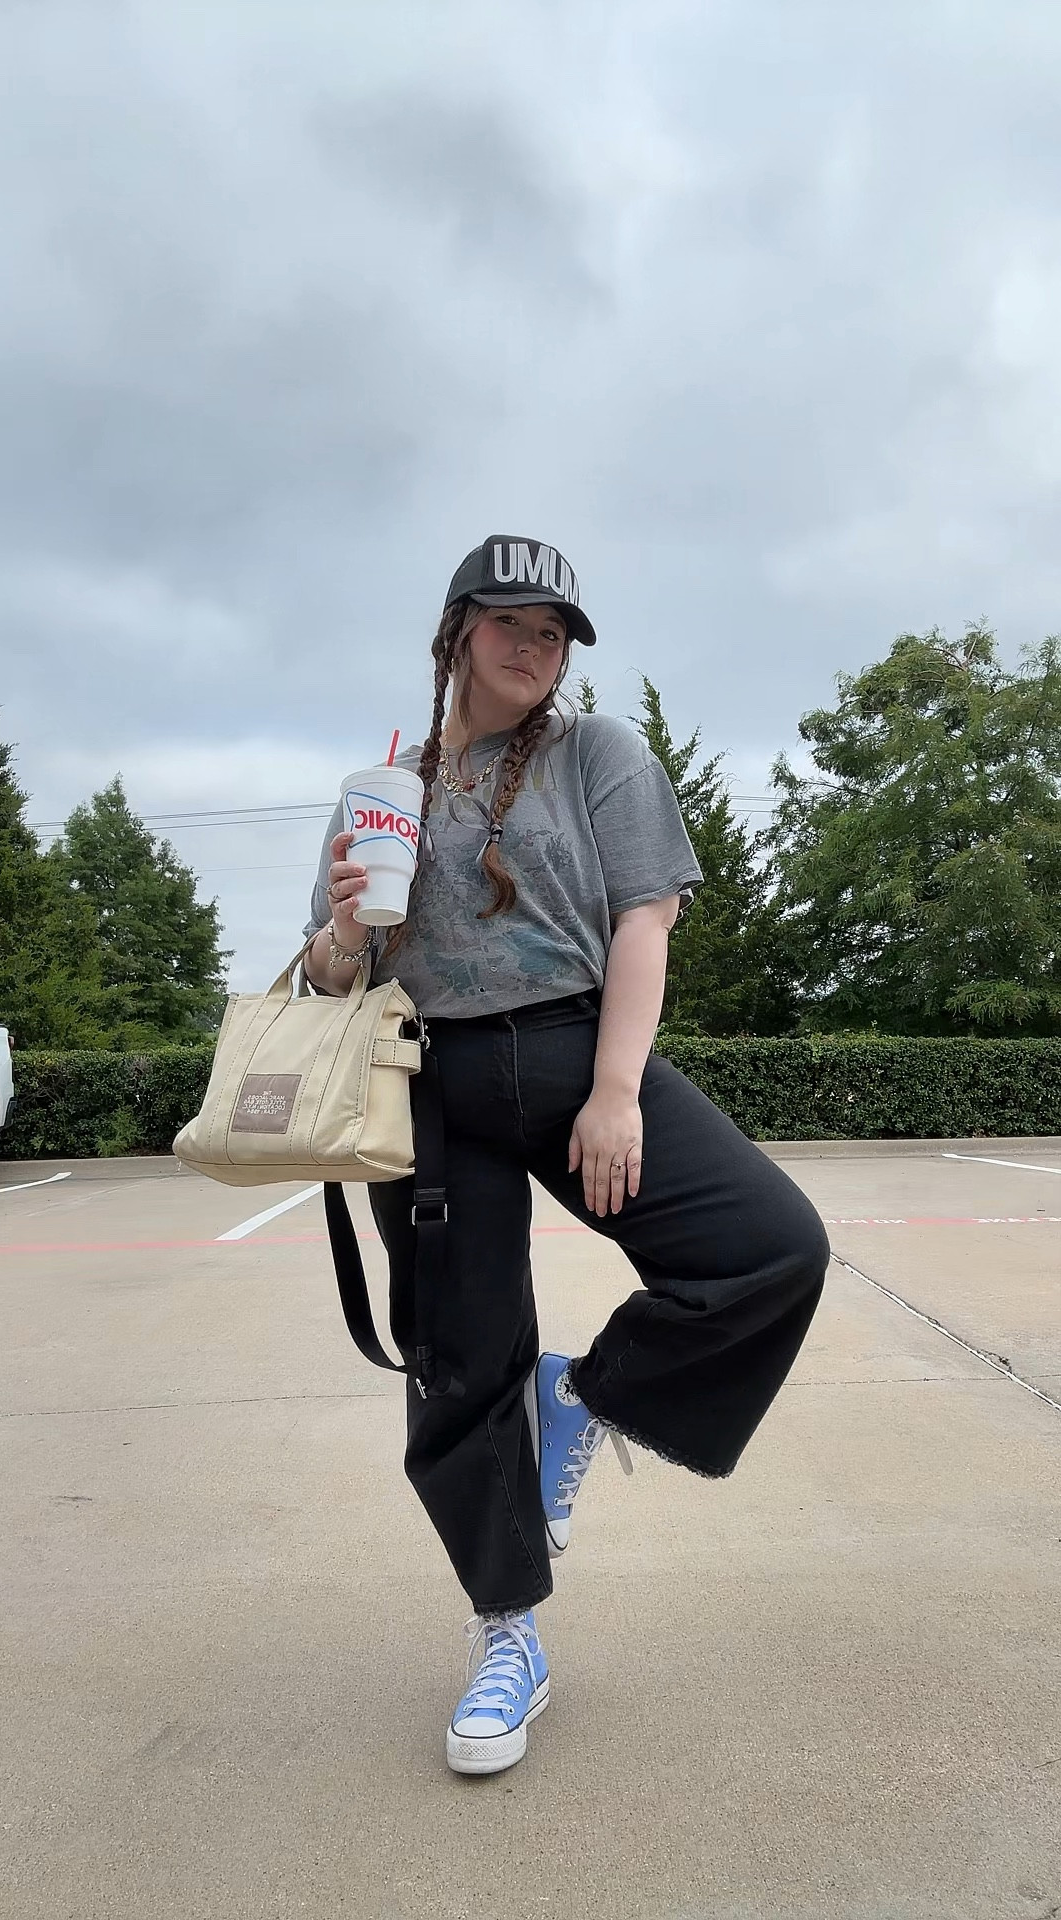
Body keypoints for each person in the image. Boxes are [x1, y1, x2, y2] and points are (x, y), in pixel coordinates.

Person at [304, 535, 829, 1777]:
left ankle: (584, 1395)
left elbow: (642, 920)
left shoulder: (602, 754)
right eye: (511, 625)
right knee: (458, 1364)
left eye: (555, 632)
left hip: (577, 1055)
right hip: (426, 1086)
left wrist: (614, 1093)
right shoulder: (379, 787)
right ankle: (509, 1637)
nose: (535, 648)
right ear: (456, 633)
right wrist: (337, 926)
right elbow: (340, 981)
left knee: (769, 1249)